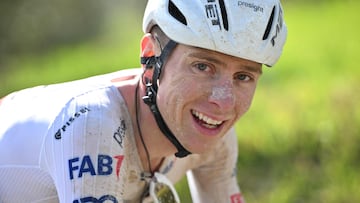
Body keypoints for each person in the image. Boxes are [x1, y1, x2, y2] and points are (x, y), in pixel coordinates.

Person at [0, 0, 287, 202]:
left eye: (243, 77)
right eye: (202, 67)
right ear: (151, 56)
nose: (223, 103)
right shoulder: (92, 126)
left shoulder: (210, 128)